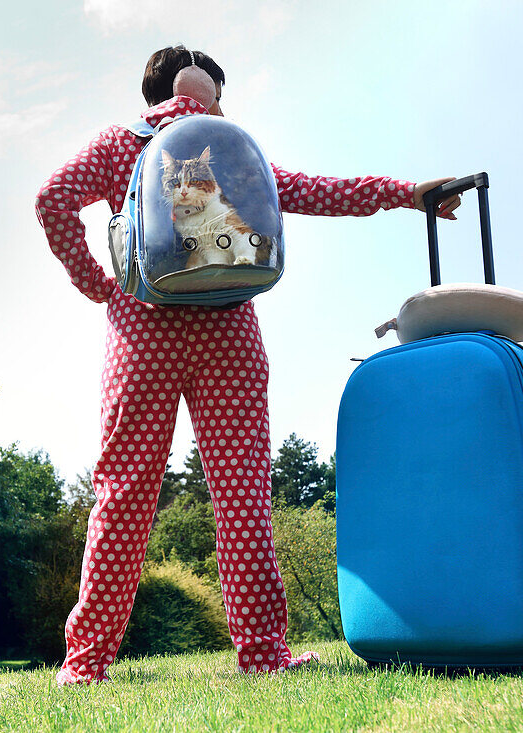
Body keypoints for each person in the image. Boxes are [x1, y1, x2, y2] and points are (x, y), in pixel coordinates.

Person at [34, 45, 461, 685]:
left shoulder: (119, 147)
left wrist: (100, 285)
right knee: (243, 500)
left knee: (122, 497)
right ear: (201, 94)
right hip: (227, 333)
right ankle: (264, 656)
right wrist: (405, 193)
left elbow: (52, 199)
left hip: (141, 335)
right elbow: (313, 191)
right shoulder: (234, 150)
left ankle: (86, 662)